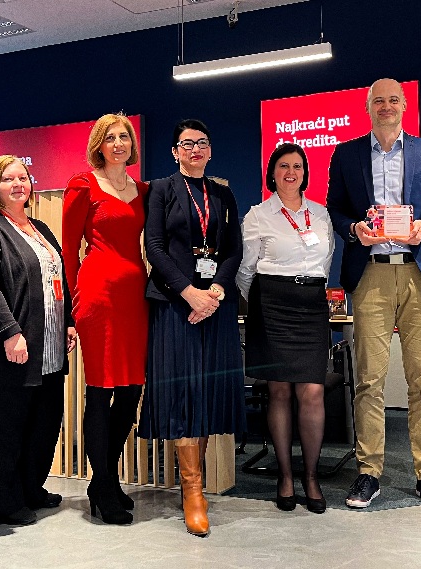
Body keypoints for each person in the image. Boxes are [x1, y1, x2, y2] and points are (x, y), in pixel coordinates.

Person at [326, 78, 421, 511]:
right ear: (368, 107)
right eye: (378, 100)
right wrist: (354, 228)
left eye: (393, 100)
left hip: (418, 274)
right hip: (370, 274)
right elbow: (334, 209)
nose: (386, 106)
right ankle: (369, 471)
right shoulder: (346, 154)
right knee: (369, 380)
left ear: (404, 105)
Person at [0, 155, 77, 527]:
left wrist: (68, 322)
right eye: (8, 179)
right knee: (5, 430)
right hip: (6, 351)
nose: (18, 184)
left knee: (42, 425)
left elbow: (58, 278)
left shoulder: (40, 228)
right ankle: (0, 503)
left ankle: (30, 489)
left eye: (23, 177)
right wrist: (10, 331)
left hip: (47, 349)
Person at [139, 119, 246, 537]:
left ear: (210, 149)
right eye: (187, 144)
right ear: (175, 152)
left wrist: (215, 291)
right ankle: (192, 490)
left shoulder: (222, 194)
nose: (195, 149)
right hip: (175, 304)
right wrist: (189, 293)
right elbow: (155, 247)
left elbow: (233, 250)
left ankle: (195, 480)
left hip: (216, 305)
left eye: (202, 143)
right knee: (184, 393)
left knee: (206, 394)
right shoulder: (161, 190)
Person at [237, 143, 335, 514]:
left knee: (312, 392)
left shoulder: (321, 214)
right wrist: (263, 301)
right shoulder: (258, 215)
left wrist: (308, 289)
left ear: (305, 173)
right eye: (283, 166)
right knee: (278, 391)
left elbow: (326, 261)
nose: (290, 172)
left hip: (311, 305)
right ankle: (285, 476)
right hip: (271, 304)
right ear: (272, 173)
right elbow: (245, 271)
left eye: (297, 166)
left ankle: (310, 476)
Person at [63, 114, 148, 525]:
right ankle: (104, 486)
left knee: (131, 393)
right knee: (99, 392)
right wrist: (71, 307)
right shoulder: (83, 185)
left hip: (135, 299)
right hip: (98, 295)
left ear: (132, 144)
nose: (118, 143)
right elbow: (68, 251)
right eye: (110, 137)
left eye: (124, 136)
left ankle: (103, 481)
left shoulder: (143, 190)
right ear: (99, 144)